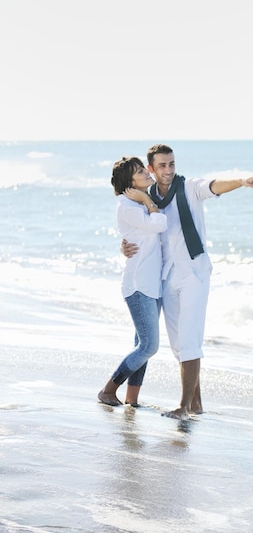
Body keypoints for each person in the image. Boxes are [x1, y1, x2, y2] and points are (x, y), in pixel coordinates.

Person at [123, 143, 253, 419]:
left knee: (189, 340)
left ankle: (184, 407)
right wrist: (124, 245)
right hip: (166, 276)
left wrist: (240, 181)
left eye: (172, 164)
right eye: (162, 165)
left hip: (194, 274)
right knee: (178, 344)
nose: (168, 170)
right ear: (151, 168)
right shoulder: (149, 199)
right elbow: (137, 229)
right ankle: (197, 403)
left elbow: (213, 186)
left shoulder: (188, 188)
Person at [98, 156, 167, 407]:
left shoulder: (134, 204)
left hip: (151, 284)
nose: (147, 173)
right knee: (149, 346)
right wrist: (147, 200)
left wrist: (146, 201)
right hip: (139, 286)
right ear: (130, 182)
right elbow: (159, 224)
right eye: (140, 171)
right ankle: (108, 390)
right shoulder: (129, 205)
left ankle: (132, 400)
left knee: (141, 345)